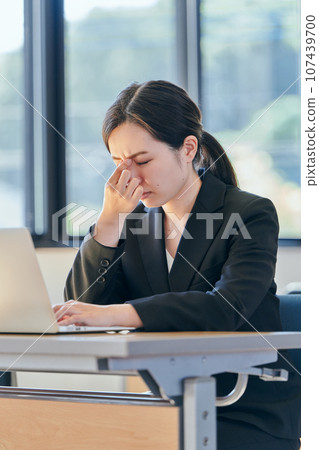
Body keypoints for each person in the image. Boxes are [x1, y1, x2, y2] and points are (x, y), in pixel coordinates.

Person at [53, 80, 300, 449]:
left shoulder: (248, 213)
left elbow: (226, 309)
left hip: (244, 408)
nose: (130, 178)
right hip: (171, 406)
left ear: (187, 148)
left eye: (142, 161)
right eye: (119, 165)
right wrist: (107, 223)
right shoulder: (133, 224)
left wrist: (120, 314)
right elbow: (82, 305)